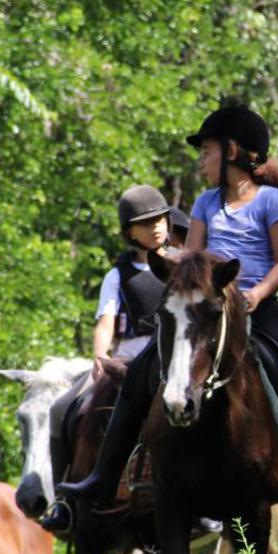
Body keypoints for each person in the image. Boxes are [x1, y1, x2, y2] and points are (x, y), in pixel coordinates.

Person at [58, 103, 278, 525]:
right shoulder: (203, 202)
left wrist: (258, 293)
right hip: (208, 307)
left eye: (206, 152)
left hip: (258, 304)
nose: (201, 160)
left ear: (233, 151)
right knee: (138, 372)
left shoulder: (270, 200)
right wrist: (173, 271)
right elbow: (193, 256)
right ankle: (104, 475)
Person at [42, 186, 172, 533]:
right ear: (130, 232)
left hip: (171, 358)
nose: (157, 227)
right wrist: (100, 356)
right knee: (59, 409)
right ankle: (64, 501)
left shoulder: (183, 264)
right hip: (128, 358)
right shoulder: (117, 276)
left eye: (160, 219)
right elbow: (105, 323)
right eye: (147, 223)